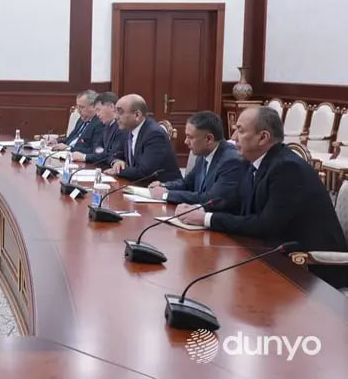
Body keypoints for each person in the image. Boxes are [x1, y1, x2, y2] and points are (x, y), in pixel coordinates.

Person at [178, 106, 348, 288]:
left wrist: (206, 218)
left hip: (311, 270)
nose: (233, 137)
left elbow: (265, 225)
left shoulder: (288, 169)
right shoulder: (256, 162)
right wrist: (200, 209)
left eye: (240, 130)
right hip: (276, 256)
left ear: (263, 138)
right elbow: (236, 203)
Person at [147, 110, 244, 204]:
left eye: (190, 137)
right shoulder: (203, 154)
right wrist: (164, 186)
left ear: (209, 139)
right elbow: (187, 183)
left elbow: (211, 199)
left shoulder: (231, 161)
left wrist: (167, 195)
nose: (186, 142)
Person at [107, 94, 182, 183]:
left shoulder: (154, 134)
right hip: (136, 184)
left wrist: (117, 171)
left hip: (162, 187)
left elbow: (143, 172)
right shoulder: (127, 130)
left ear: (137, 115)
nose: (115, 117)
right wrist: (117, 162)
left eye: (120, 112)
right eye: (115, 112)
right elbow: (113, 154)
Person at [70, 91, 122, 166]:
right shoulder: (107, 126)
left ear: (111, 107)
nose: (97, 114)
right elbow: (97, 150)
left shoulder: (120, 127)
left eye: (99, 110)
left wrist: (84, 157)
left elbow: (110, 155)